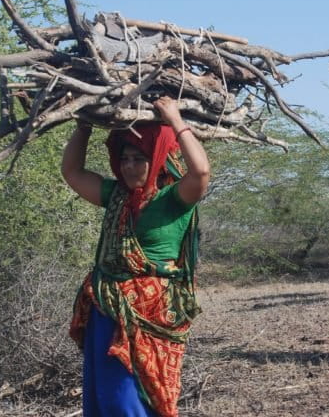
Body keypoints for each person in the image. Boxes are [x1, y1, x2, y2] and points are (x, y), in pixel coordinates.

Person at [62, 96, 210, 417]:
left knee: (135, 397)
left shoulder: (174, 198)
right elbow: (72, 172)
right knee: (107, 397)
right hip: (107, 304)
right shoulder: (116, 195)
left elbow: (200, 171)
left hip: (154, 310)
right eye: (125, 158)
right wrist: (84, 123)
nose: (129, 166)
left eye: (139, 159)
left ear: (156, 157)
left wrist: (175, 120)